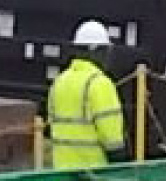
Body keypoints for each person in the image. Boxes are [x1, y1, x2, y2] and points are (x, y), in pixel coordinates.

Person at [48, 20, 126, 169]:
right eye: (106, 51)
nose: (108, 56)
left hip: (61, 172)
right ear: (95, 50)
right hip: (93, 171)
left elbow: (52, 125)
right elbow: (112, 138)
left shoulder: (59, 82)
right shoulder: (99, 83)